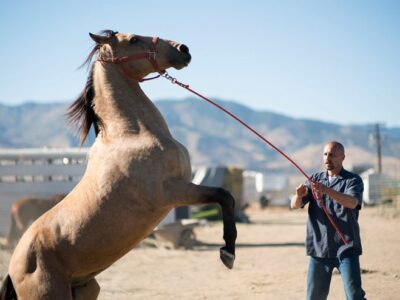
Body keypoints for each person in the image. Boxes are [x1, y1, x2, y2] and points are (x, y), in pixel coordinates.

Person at [291, 141, 366, 300]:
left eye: (332, 155)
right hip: (320, 250)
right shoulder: (314, 179)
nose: (327, 158)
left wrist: (326, 190)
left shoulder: (353, 180)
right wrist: (298, 195)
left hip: (346, 248)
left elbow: (352, 202)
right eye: (325, 154)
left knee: (354, 296)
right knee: (314, 297)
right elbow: (294, 205)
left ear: (342, 157)